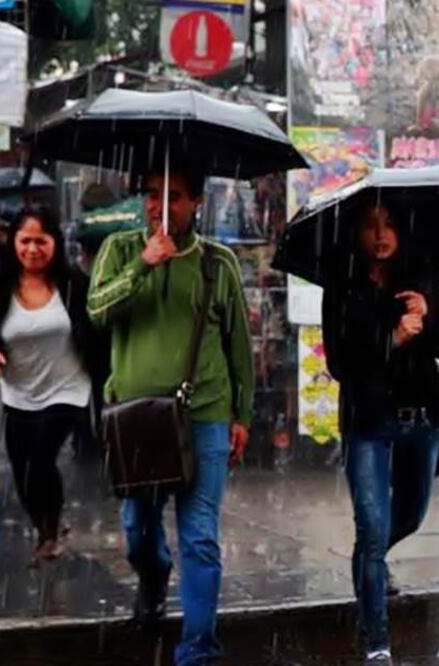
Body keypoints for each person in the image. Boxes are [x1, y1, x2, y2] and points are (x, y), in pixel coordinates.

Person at [87, 164, 254, 666]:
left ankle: (197, 650)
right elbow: (96, 310)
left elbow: (238, 348)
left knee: (200, 536)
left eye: (174, 196)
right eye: (152, 195)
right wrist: (142, 264)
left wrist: (241, 414)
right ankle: (154, 576)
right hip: (134, 418)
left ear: (197, 203)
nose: (161, 206)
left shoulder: (217, 263)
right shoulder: (118, 250)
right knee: (138, 531)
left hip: (202, 414)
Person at [321, 203, 439, 662]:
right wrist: (394, 337)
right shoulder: (341, 286)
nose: (381, 234)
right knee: (374, 529)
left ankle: (369, 565)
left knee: (409, 518)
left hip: (421, 421)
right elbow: (341, 363)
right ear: (356, 233)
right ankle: (377, 644)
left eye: (389, 224)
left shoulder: (419, 277)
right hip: (369, 424)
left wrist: (430, 313)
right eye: (370, 226)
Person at [0, 208, 96, 561]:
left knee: (41, 461)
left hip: (68, 388)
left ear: (55, 242)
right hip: (18, 391)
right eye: (25, 241)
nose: (32, 249)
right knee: (23, 474)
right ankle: (45, 523)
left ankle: (50, 530)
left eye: (41, 241)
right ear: (13, 243)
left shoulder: (73, 284)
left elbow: (95, 328)